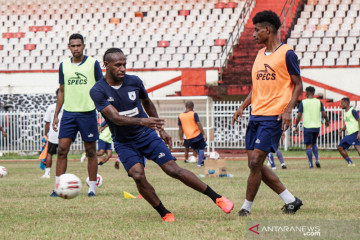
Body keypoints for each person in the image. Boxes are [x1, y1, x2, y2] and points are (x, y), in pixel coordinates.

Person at [90, 48, 234, 222]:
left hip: (146, 135)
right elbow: (115, 118)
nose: (122, 69)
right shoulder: (98, 90)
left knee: (173, 170)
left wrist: (161, 129)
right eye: (118, 65)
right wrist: (144, 121)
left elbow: (146, 102)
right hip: (124, 142)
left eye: (124, 65)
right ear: (106, 65)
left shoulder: (134, 81)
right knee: (137, 174)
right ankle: (164, 213)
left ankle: (217, 198)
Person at [232, 10, 303, 216]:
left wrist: (288, 110)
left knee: (255, 162)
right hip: (256, 115)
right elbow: (256, 87)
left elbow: (298, 84)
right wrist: (243, 106)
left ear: (268, 30)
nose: (253, 34)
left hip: (273, 116)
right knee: (253, 164)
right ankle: (290, 200)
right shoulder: (259, 54)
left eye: (256, 30)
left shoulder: (287, 53)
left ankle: (246, 208)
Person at [51, 33, 103, 197]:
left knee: (90, 151)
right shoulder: (64, 65)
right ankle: (57, 188)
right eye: (73, 46)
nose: (76, 48)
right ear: (69, 47)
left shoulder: (93, 63)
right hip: (69, 114)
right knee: (61, 150)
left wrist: (103, 110)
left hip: (88, 113)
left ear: (83, 46)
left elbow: (101, 87)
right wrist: (56, 114)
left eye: (78, 45)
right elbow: (62, 90)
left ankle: (92, 189)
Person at [294, 86, 329, 168]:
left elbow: (299, 115)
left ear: (307, 93)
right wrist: (327, 121)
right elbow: (324, 114)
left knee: (308, 146)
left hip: (307, 126)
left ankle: (311, 164)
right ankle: (317, 159)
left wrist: (296, 125)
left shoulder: (303, 102)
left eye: (305, 92)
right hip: (317, 126)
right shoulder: (318, 102)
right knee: (314, 143)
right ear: (313, 93)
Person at [41, 89, 63, 179]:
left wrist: (45, 135)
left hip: (53, 134)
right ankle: (61, 174)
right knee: (63, 154)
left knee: (50, 153)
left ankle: (47, 173)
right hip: (64, 134)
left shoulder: (51, 107)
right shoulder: (67, 107)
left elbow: (47, 123)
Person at [178, 101, 207, 167]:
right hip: (197, 134)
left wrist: (181, 139)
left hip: (188, 137)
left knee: (197, 149)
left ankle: (204, 159)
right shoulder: (194, 114)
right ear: (192, 107)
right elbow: (198, 123)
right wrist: (203, 134)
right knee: (201, 148)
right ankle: (199, 164)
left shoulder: (180, 116)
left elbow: (180, 128)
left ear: (186, 107)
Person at [337, 97, 360, 166]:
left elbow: (359, 120)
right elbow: (347, 124)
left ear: (346, 103)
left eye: (342, 103)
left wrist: (359, 133)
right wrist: (341, 130)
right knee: (357, 148)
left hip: (354, 133)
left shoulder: (352, 111)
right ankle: (350, 163)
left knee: (340, 147)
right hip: (350, 134)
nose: (341, 105)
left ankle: (350, 163)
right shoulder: (345, 112)